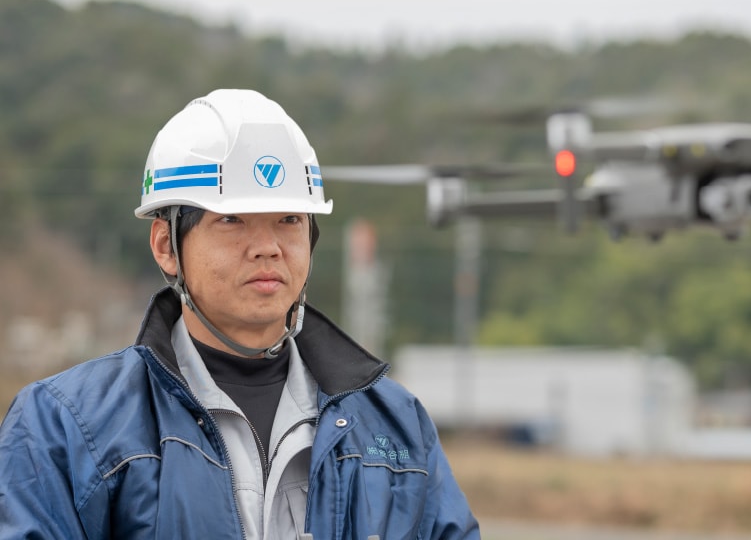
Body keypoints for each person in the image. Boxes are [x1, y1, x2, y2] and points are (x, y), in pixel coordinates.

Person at [0, 89, 480, 539]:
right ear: (167, 245)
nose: (267, 247)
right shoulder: (65, 426)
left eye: (289, 220)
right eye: (232, 221)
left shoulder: (396, 426)